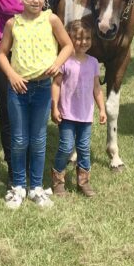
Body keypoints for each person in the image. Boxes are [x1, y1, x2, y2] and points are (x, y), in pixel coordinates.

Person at [0, 0, 103, 193]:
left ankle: (34, 174)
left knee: (36, 121)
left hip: (37, 64)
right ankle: (13, 171)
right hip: (6, 58)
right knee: (8, 117)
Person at [0, 0, 74, 209]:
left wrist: (58, 63)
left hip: (41, 88)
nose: (36, 1)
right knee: (19, 139)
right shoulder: (12, 24)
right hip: (18, 89)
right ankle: (18, 186)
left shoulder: (51, 20)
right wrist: (12, 74)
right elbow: (1, 53)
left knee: (38, 140)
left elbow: (68, 45)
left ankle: (36, 187)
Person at [50, 20, 106, 197]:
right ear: (69, 38)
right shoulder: (64, 61)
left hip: (85, 115)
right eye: (79, 38)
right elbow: (56, 84)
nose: (84, 42)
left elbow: (97, 88)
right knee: (66, 147)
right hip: (67, 114)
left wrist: (102, 109)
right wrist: (55, 107)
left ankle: (84, 181)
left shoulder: (94, 62)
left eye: (88, 38)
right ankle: (58, 180)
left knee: (84, 148)